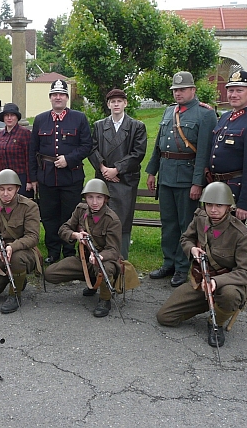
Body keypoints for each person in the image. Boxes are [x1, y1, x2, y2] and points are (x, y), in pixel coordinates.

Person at [156, 182, 247, 348]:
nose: (213, 210)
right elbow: (186, 238)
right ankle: (211, 303)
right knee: (165, 317)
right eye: (209, 204)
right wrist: (192, 249)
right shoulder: (200, 219)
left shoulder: (241, 234)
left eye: (219, 205)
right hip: (202, 279)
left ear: (228, 207)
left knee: (230, 295)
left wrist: (217, 282)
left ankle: (216, 322)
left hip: (229, 283)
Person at [146, 71, 217, 288]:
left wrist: (197, 182)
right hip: (166, 176)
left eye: (182, 89)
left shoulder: (205, 114)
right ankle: (168, 262)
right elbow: (159, 145)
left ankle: (182, 267)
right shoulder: (170, 111)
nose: (178, 93)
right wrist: (152, 171)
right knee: (168, 223)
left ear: (193, 90)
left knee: (186, 226)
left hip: (187, 179)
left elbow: (203, 152)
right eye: (175, 90)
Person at [29, 79, 92, 265]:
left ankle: (70, 251)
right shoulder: (40, 119)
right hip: (46, 177)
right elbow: (33, 150)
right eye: (55, 94)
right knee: (49, 216)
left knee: (70, 216)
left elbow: (87, 145)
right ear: (50, 98)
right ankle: (53, 251)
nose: (58, 97)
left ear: (67, 98)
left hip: (71, 176)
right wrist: (34, 177)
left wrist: (69, 159)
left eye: (62, 94)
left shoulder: (79, 118)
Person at [44, 179, 122, 318]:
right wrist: (75, 235)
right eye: (90, 197)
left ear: (105, 199)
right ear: (85, 197)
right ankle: (92, 280)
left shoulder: (112, 220)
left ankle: (105, 300)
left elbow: (113, 250)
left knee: (105, 268)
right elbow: (63, 229)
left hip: (104, 260)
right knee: (50, 274)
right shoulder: (81, 210)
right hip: (84, 259)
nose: (94, 202)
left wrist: (99, 257)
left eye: (99, 197)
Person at [88, 88, 147, 261]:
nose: (116, 104)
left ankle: (121, 259)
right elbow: (92, 148)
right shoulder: (99, 126)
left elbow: (138, 153)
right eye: (112, 102)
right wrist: (103, 168)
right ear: (108, 104)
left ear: (125, 103)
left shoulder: (137, 126)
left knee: (122, 220)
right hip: (103, 180)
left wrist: (117, 169)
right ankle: (100, 257)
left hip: (125, 181)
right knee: (101, 217)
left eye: (119, 101)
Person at [208, 70, 247, 224]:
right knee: (212, 233)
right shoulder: (225, 117)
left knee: (233, 235)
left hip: (235, 191)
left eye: (239, 90)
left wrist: (246, 202)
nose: (234, 95)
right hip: (216, 188)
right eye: (231, 90)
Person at [0, 169, 40, 314]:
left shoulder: (29, 207)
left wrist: (12, 247)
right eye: (2, 189)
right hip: (0, 251)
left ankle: (14, 295)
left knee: (16, 259)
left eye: (10, 189)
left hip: (23, 252)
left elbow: (33, 236)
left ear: (17, 189)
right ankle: (18, 277)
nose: (5, 193)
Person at [0, 102, 32, 197]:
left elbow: (29, 158)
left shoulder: (25, 133)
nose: (9, 118)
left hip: (21, 178)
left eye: (12, 115)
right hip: (3, 178)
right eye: (6, 115)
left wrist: (29, 180)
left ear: (17, 118)